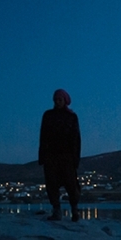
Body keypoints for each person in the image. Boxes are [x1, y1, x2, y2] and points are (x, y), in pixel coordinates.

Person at [38, 89, 81, 221]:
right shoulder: (48, 115)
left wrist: (75, 158)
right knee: (51, 184)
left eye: (60, 100)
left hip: (67, 156)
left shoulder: (72, 117)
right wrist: (42, 156)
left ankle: (75, 210)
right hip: (51, 156)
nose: (57, 102)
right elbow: (43, 136)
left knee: (71, 184)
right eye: (55, 100)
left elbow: (76, 139)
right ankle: (57, 211)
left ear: (65, 101)